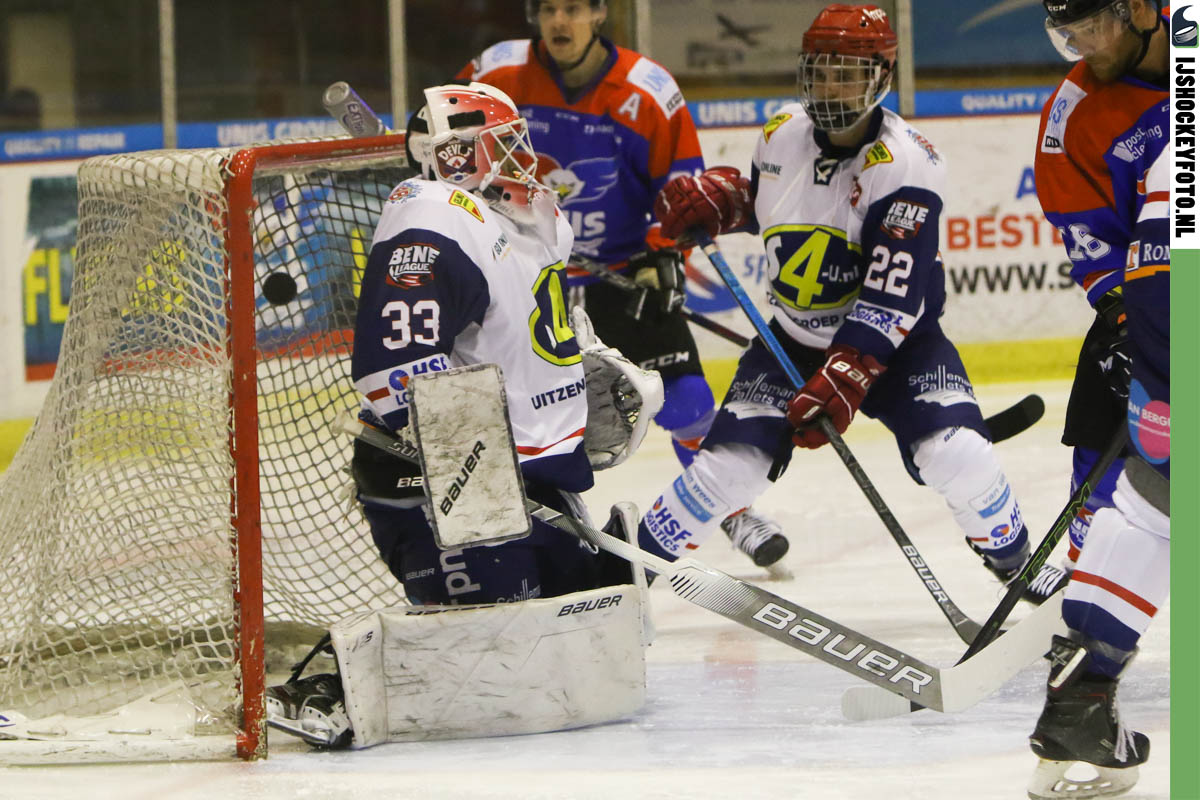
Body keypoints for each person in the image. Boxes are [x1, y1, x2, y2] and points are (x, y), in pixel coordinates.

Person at [264, 82, 660, 748]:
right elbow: (393, 375)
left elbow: (529, 335)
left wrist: (586, 368)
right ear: (456, 156)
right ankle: (329, 685)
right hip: (441, 482)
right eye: (502, 143)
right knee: (499, 670)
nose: (520, 155)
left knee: (584, 646)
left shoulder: (510, 220)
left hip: (526, 478)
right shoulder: (429, 225)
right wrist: (476, 474)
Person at [636, 3, 1064, 603]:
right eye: (821, 70)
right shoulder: (779, 130)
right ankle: (624, 574)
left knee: (960, 456)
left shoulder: (909, 164)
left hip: (899, 348)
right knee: (725, 472)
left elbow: (892, 294)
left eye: (849, 74)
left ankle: (1015, 559)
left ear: (881, 79)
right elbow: (769, 205)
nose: (830, 87)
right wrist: (725, 204)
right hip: (791, 341)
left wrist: (846, 374)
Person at [455, 0, 790, 568]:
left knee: (686, 402)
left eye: (575, 9)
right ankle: (497, 537)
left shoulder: (647, 91)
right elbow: (450, 153)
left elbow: (681, 191)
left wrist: (660, 256)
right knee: (510, 410)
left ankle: (735, 511)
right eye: (550, 10)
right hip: (521, 272)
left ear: (600, 13)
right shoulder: (494, 75)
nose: (561, 22)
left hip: (620, 271)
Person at [1026, 2, 1168, 797]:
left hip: (1164, 291)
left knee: (1155, 500)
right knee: (1137, 483)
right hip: (1149, 299)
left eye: (1093, 27)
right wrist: (1121, 310)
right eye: (1066, 33)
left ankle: (1084, 683)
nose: (1080, 47)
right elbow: (1089, 238)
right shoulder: (1072, 116)